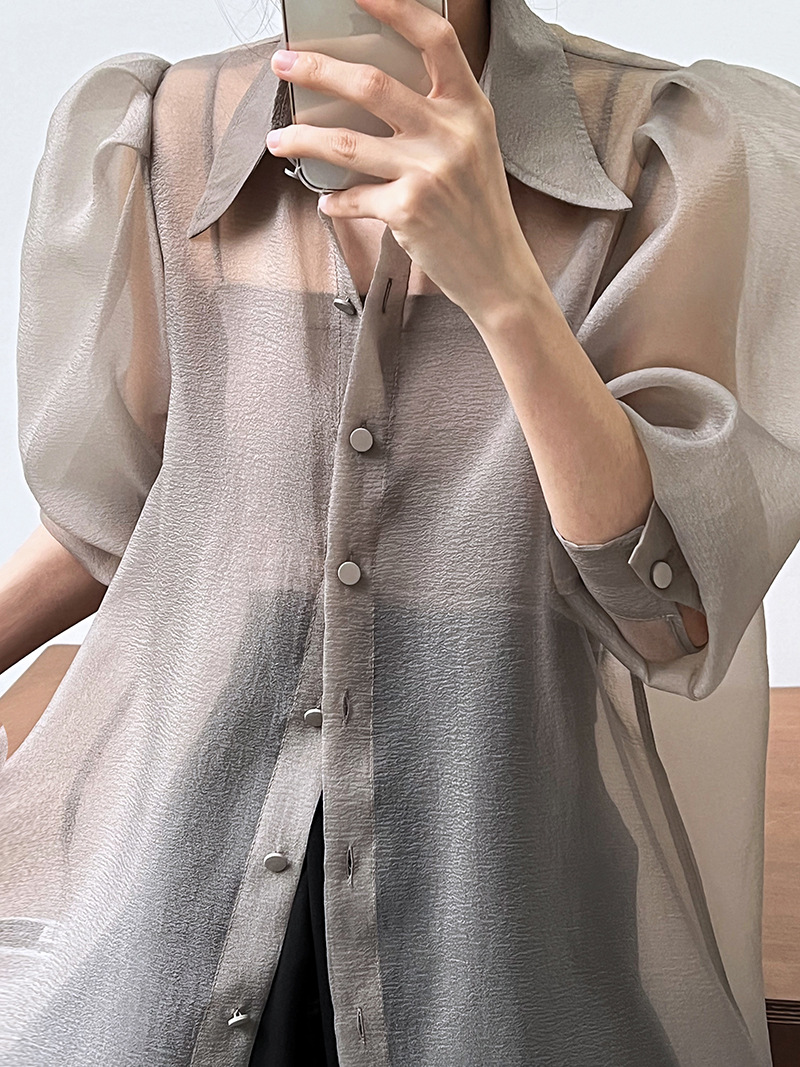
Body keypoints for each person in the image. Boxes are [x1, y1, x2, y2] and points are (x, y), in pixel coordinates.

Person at [2, 0, 800, 1062]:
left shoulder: (654, 150)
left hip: (499, 877)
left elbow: (668, 614)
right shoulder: (168, 133)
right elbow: (125, 523)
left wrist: (504, 286)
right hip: (187, 869)